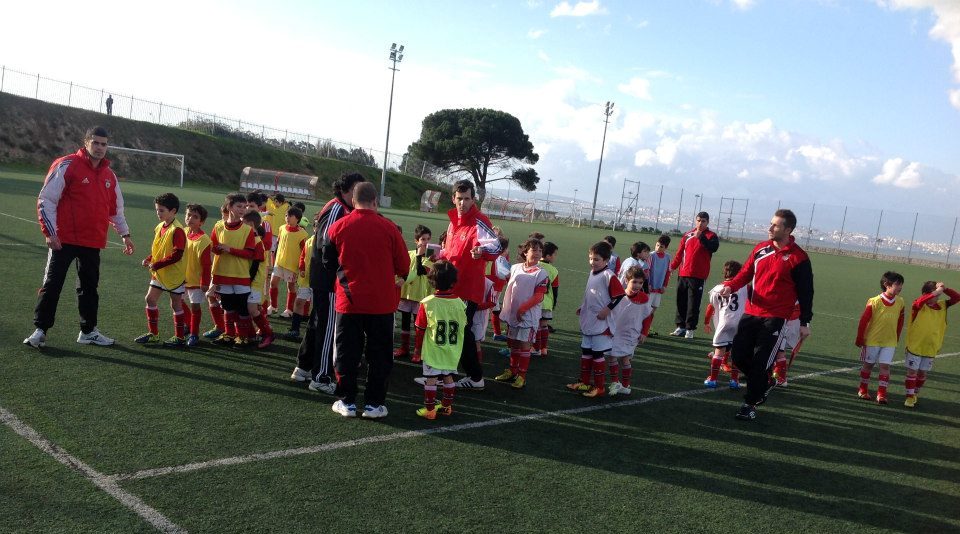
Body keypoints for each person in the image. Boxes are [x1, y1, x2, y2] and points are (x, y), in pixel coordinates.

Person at [24, 126, 135, 349]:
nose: (100, 148)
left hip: (92, 241)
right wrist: (51, 233)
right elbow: (47, 199)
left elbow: (115, 210)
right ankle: (40, 330)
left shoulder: (109, 176)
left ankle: (88, 331)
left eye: (104, 144)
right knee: (52, 284)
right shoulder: (67, 164)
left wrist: (125, 234)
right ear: (86, 143)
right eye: (96, 143)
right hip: (63, 239)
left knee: (89, 287)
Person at [324, 182, 409, 418]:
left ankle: (347, 401)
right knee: (380, 354)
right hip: (382, 303)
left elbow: (328, 263)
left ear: (353, 201)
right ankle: (374, 404)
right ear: (375, 201)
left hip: (349, 302)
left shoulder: (338, 227)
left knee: (346, 353)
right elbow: (404, 266)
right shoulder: (390, 228)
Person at [720, 209, 813, 421]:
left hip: (776, 319)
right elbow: (745, 273)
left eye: (776, 225)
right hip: (751, 313)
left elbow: (806, 292)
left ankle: (750, 403)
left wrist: (805, 321)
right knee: (738, 356)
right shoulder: (761, 249)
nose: (770, 228)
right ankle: (764, 382)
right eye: (771, 224)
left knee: (761, 362)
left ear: (788, 230)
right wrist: (730, 287)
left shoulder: (799, 258)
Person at [290, 172, 365, 394]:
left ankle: (303, 368)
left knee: (317, 322)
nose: (358, 194)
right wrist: (338, 274)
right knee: (328, 325)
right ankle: (321, 377)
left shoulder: (342, 208)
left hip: (326, 277)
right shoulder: (336, 209)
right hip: (328, 279)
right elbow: (326, 244)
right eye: (356, 189)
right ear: (345, 189)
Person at [439, 179, 503, 391]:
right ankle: (447, 373)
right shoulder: (452, 222)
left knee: (460, 332)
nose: (463, 203)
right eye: (459, 199)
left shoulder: (479, 220)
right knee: (453, 331)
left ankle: (475, 377)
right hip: (450, 287)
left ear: (473, 199)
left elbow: (495, 249)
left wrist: (482, 252)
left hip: (468, 288)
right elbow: (450, 253)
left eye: (467, 199)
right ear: (453, 198)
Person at [567, 241, 626, 398]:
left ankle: (599, 387)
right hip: (589, 319)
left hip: (601, 323)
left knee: (597, 354)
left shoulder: (609, 275)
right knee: (586, 351)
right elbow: (592, 294)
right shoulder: (592, 273)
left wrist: (607, 310)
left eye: (597, 259)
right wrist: (583, 306)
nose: (593, 262)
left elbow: (619, 295)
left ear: (606, 260)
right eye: (591, 258)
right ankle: (585, 382)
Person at [413, 260, 467, 419]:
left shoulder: (427, 303)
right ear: (453, 281)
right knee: (448, 377)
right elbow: (464, 324)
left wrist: (417, 348)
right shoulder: (460, 303)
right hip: (452, 348)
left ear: (432, 281)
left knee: (431, 379)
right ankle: (446, 407)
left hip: (433, 350)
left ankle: (430, 411)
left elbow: (420, 328)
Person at [493, 238, 548, 389]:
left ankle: (521, 376)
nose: (537, 253)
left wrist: (523, 309)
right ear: (525, 252)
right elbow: (505, 278)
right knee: (514, 344)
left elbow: (539, 296)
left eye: (540, 251)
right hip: (513, 314)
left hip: (527, 316)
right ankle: (512, 371)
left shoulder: (542, 273)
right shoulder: (516, 267)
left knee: (524, 345)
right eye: (534, 250)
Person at [134, 193, 188, 347]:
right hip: (160, 273)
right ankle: (153, 334)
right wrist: (150, 258)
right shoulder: (159, 226)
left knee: (176, 304)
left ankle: (179, 338)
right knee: (150, 299)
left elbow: (177, 254)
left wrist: (157, 264)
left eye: (162, 210)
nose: (158, 213)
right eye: (157, 210)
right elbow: (159, 249)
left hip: (174, 274)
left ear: (173, 211)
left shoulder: (177, 230)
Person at [209, 193, 262, 346]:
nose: (243, 209)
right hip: (223, 273)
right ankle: (229, 335)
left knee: (242, 309)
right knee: (227, 307)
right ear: (229, 207)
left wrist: (230, 249)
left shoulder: (247, 230)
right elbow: (214, 247)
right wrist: (219, 249)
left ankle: (243, 337)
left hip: (240, 275)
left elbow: (250, 253)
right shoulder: (218, 226)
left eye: (244, 207)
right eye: (239, 206)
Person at [903, 281, 960, 408]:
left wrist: (945, 289)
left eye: (938, 296)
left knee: (922, 374)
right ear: (925, 294)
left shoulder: (942, 306)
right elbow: (921, 301)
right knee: (912, 372)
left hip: (931, 347)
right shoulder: (918, 305)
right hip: (915, 346)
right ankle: (909, 397)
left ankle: (915, 393)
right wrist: (938, 290)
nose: (937, 298)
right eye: (935, 295)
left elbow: (957, 297)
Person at [854, 272, 905, 405]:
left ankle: (881, 394)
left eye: (901, 284)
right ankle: (863, 390)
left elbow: (900, 322)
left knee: (885, 367)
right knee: (868, 365)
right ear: (886, 285)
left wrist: (897, 337)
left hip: (890, 341)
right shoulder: (874, 301)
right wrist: (860, 338)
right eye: (897, 284)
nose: (900, 287)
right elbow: (863, 321)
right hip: (872, 340)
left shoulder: (900, 302)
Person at [669, 212, 719, 339]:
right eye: (698, 220)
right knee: (681, 301)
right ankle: (680, 327)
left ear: (707, 222)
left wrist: (701, 237)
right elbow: (680, 253)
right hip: (683, 273)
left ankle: (690, 329)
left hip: (698, 275)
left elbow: (713, 248)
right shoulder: (687, 235)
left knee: (693, 303)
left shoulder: (711, 235)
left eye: (703, 221)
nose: (700, 223)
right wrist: (672, 267)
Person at [607, 266, 653, 396]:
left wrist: (645, 332)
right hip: (616, 332)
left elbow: (648, 316)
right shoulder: (619, 296)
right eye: (634, 282)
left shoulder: (644, 299)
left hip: (632, 333)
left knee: (626, 358)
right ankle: (615, 383)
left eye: (640, 283)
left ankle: (626, 386)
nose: (637, 285)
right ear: (627, 281)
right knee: (612, 356)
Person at [702, 260, 748, 390]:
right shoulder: (745, 287)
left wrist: (706, 322)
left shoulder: (716, 289)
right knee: (736, 353)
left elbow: (710, 307)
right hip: (740, 324)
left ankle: (713, 379)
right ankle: (734, 381)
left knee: (719, 352)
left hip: (723, 323)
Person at [395, 224, 434, 361]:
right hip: (406, 295)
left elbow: (420, 271)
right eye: (423, 239)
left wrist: (419, 255)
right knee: (405, 323)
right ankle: (404, 348)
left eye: (428, 239)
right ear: (416, 240)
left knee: (419, 325)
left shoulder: (430, 258)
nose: (426, 242)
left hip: (420, 297)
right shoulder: (408, 254)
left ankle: (418, 352)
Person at [241, 210, 276, 349]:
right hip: (248, 280)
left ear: (250, 224)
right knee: (247, 308)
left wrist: (248, 281)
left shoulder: (257, 241)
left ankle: (268, 334)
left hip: (254, 281)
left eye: (243, 223)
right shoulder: (249, 238)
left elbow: (255, 265)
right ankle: (251, 335)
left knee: (252, 309)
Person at [181, 204, 212, 347]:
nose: (190, 218)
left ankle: (194, 334)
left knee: (195, 307)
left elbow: (206, 265)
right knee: (176, 302)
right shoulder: (183, 232)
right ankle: (188, 323)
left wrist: (204, 282)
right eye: (188, 215)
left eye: (195, 217)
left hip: (196, 280)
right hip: (181, 277)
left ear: (202, 222)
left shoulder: (204, 240)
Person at [268, 207, 307, 317]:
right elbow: (278, 245)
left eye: (290, 216)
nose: (287, 218)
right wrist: (274, 259)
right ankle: (273, 306)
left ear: (297, 218)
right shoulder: (282, 228)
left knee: (290, 287)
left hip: (292, 265)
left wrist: (301, 266)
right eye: (286, 216)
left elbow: (304, 252)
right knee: (273, 283)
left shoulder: (302, 234)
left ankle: (289, 310)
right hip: (279, 263)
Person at [287, 220, 317, 340]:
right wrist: (302, 268)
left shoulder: (328, 242)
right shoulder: (309, 241)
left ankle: (315, 332)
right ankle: (295, 329)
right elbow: (303, 256)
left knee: (317, 307)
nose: (318, 228)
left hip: (319, 281)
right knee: (299, 302)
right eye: (316, 226)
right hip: (306, 280)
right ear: (314, 228)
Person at [534, 241, 560, 357]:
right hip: (547, 303)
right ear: (549, 256)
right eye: (555, 254)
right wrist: (554, 303)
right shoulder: (554, 270)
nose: (556, 257)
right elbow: (555, 289)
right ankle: (544, 349)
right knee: (544, 326)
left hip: (535, 301)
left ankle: (536, 349)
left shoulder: (535, 265)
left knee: (536, 326)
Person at [646, 235, 672, 335]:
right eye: (657, 245)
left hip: (659, 288)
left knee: (653, 308)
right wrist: (648, 284)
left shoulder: (668, 257)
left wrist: (665, 285)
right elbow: (647, 270)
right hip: (650, 288)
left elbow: (668, 272)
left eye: (661, 246)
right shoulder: (651, 256)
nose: (658, 248)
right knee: (646, 309)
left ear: (666, 248)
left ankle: (647, 327)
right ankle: (643, 329)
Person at [488, 232, 510, 342]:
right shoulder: (499, 259)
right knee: (492, 309)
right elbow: (503, 273)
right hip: (494, 288)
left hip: (495, 287)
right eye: (507, 248)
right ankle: (495, 333)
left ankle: (497, 333)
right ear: (504, 249)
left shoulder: (496, 258)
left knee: (494, 309)